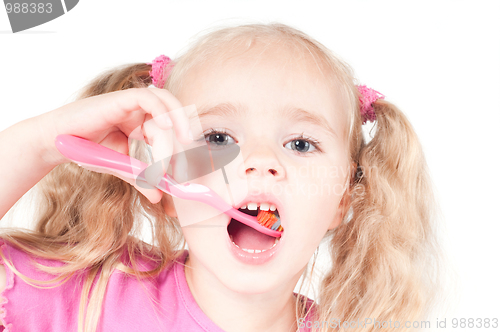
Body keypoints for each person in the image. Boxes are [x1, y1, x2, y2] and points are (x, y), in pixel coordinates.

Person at [0, 22, 440, 332]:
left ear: (344, 198)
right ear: (165, 182)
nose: (261, 162)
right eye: (217, 136)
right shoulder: (84, 295)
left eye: (301, 144)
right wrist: (36, 144)